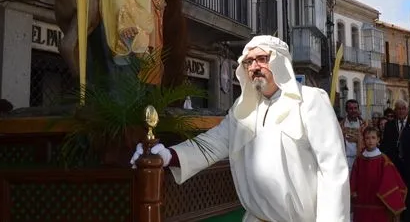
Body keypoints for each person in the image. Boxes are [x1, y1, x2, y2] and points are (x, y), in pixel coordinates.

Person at [129, 35, 349, 221]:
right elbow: (213, 143)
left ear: (280, 62)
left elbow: (333, 171)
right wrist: (168, 155)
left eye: (261, 59)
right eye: (248, 62)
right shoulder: (242, 110)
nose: (254, 67)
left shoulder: (310, 101)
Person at [350, 126, 407, 221]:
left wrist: (385, 194)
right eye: (367, 138)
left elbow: (390, 181)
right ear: (364, 140)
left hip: (378, 201)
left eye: (373, 138)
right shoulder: (359, 159)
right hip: (362, 201)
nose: (370, 141)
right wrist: (353, 191)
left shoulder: (383, 160)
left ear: (378, 140)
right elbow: (354, 177)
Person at [380, 100, 410, 222]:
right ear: (395, 110)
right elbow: (385, 145)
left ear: (407, 110)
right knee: (397, 194)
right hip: (395, 166)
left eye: (403, 108)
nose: (401, 111)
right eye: (398, 109)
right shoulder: (389, 125)